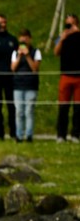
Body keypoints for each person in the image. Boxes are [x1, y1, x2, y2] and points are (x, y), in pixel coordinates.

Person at [11, 28, 41, 143]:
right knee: (19, 111)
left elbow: (35, 69)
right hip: (18, 85)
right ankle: (19, 135)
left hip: (31, 85)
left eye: (26, 38)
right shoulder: (15, 52)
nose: (24, 41)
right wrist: (19, 56)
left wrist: (28, 56)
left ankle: (29, 135)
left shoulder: (36, 52)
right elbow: (13, 68)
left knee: (29, 111)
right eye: (22, 39)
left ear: (30, 39)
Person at [54, 13, 80, 143]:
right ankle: (61, 135)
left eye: (72, 23)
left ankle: (75, 134)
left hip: (78, 77)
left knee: (78, 108)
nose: (69, 26)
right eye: (68, 24)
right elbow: (56, 52)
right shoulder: (62, 36)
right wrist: (63, 38)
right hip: (65, 75)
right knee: (63, 107)